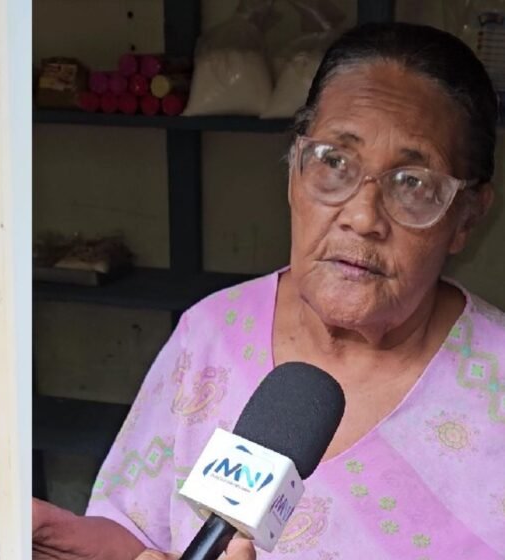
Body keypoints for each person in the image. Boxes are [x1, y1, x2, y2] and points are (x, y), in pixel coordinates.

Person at [33, 21, 505, 559]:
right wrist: (79, 547)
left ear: (466, 216)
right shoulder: (211, 332)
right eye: (334, 162)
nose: (361, 215)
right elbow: (142, 533)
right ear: (292, 173)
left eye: (413, 182)